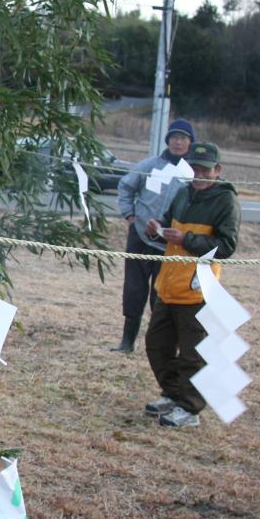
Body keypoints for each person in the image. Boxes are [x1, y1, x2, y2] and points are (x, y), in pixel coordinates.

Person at [142, 142, 240, 428]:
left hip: (197, 290)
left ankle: (190, 408)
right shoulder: (183, 193)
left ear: (217, 170)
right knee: (156, 345)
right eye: (195, 168)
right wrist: (158, 230)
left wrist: (186, 239)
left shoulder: (226, 201)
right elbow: (169, 227)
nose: (198, 174)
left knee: (192, 354)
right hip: (168, 284)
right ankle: (173, 394)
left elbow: (226, 246)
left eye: (205, 169)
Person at [113, 118, 196, 352]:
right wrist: (130, 215)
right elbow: (126, 186)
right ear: (168, 140)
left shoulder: (192, 174)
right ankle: (127, 342)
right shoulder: (150, 165)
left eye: (184, 138)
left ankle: (158, 344)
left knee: (160, 295)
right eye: (175, 137)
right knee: (134, 290)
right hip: (139, 238)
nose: (178, 142)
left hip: (169, 245)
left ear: (190, 143)